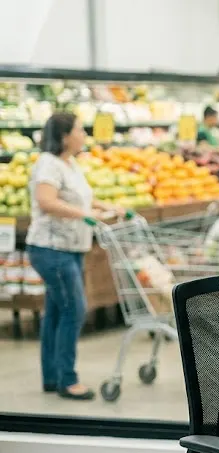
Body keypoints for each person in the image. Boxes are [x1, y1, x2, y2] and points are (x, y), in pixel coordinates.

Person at [25, 113, 125, 400]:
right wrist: (87, 216)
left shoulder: (70, 163)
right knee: (74, 309)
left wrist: (107, 207)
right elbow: (46, 202)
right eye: (80, 130)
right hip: (51, 249)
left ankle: (52, 376)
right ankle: (67, 380)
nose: (84, 134)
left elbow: (81, 198)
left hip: (69, 248)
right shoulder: (48, 164)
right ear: (65, 135)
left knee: (57, 311)